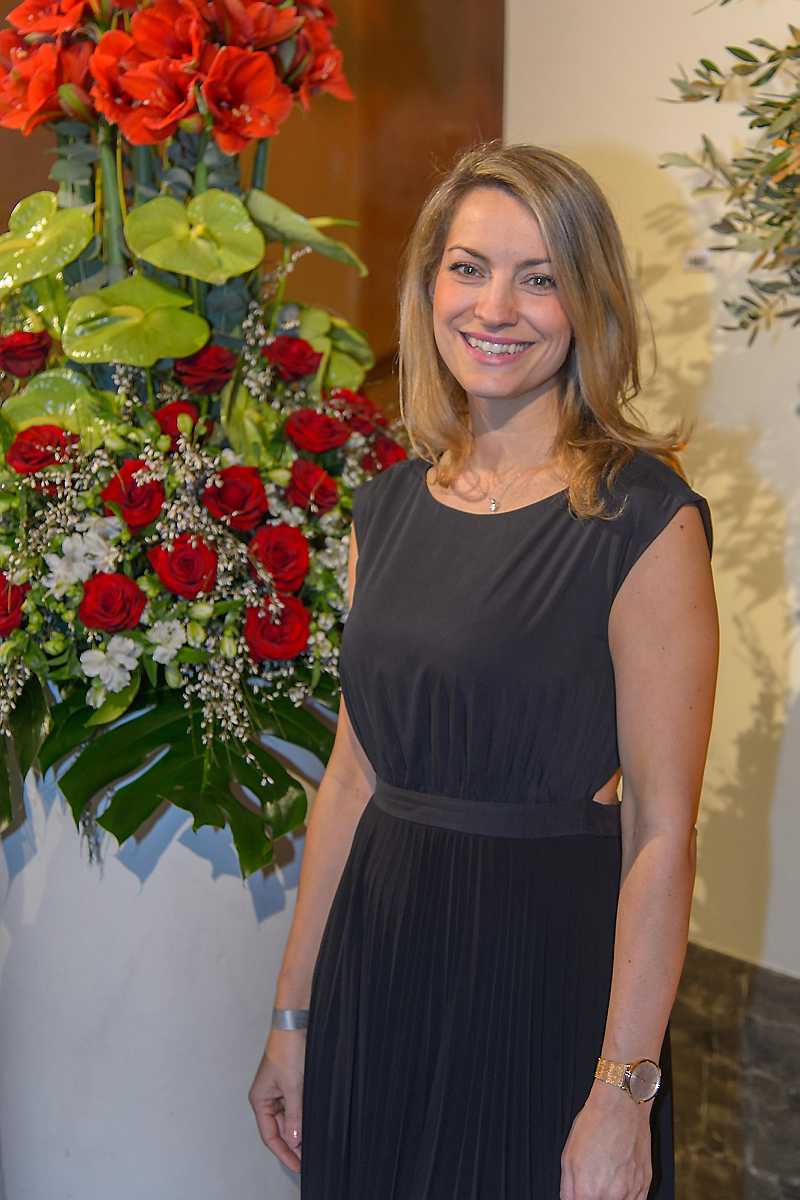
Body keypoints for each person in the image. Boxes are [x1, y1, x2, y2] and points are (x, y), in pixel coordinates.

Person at [248, 140, 719, 1200]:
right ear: (430, 287)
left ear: (586, 303)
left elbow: (660, 830)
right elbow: (351, 780)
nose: (495, 308)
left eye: (538, 278)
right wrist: (292, 1018)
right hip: (379, 966)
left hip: (543, 984)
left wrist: (623, 1094)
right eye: (468, 268)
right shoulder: (386, 507)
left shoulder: (643, 520)